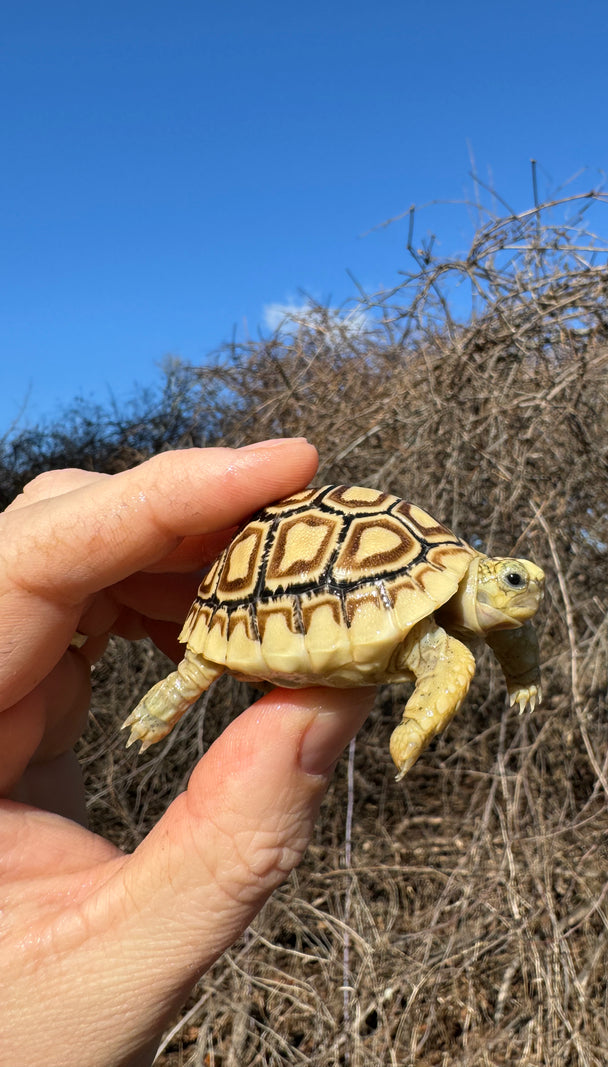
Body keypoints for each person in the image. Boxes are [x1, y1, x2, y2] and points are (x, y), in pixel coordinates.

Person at [0, 440, 374, 1067]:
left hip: (263, 612)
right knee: (193, 672)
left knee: (196, 671)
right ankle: (156, 708)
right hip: (264, 609)